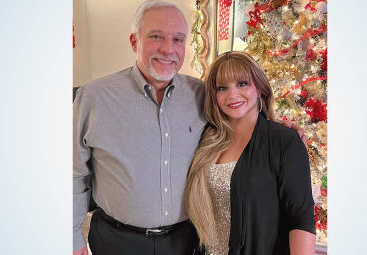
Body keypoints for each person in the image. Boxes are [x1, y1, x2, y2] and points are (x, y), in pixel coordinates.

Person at [73, 1, 307, 254]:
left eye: (178, 39)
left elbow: (237, 117)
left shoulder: (200, 94)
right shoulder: (94, 98)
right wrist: (72, 239)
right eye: (156, 36)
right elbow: (73, 174)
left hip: (185, 242)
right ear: (134, 42)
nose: (168, 49)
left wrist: (279, 132)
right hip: (116, 241)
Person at [185, 51, 316, 255]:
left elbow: (300, 217)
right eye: (222, 88)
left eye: (242, 84)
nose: (232, 95)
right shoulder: (204, 139)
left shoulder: (284, 141)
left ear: (259, 87)